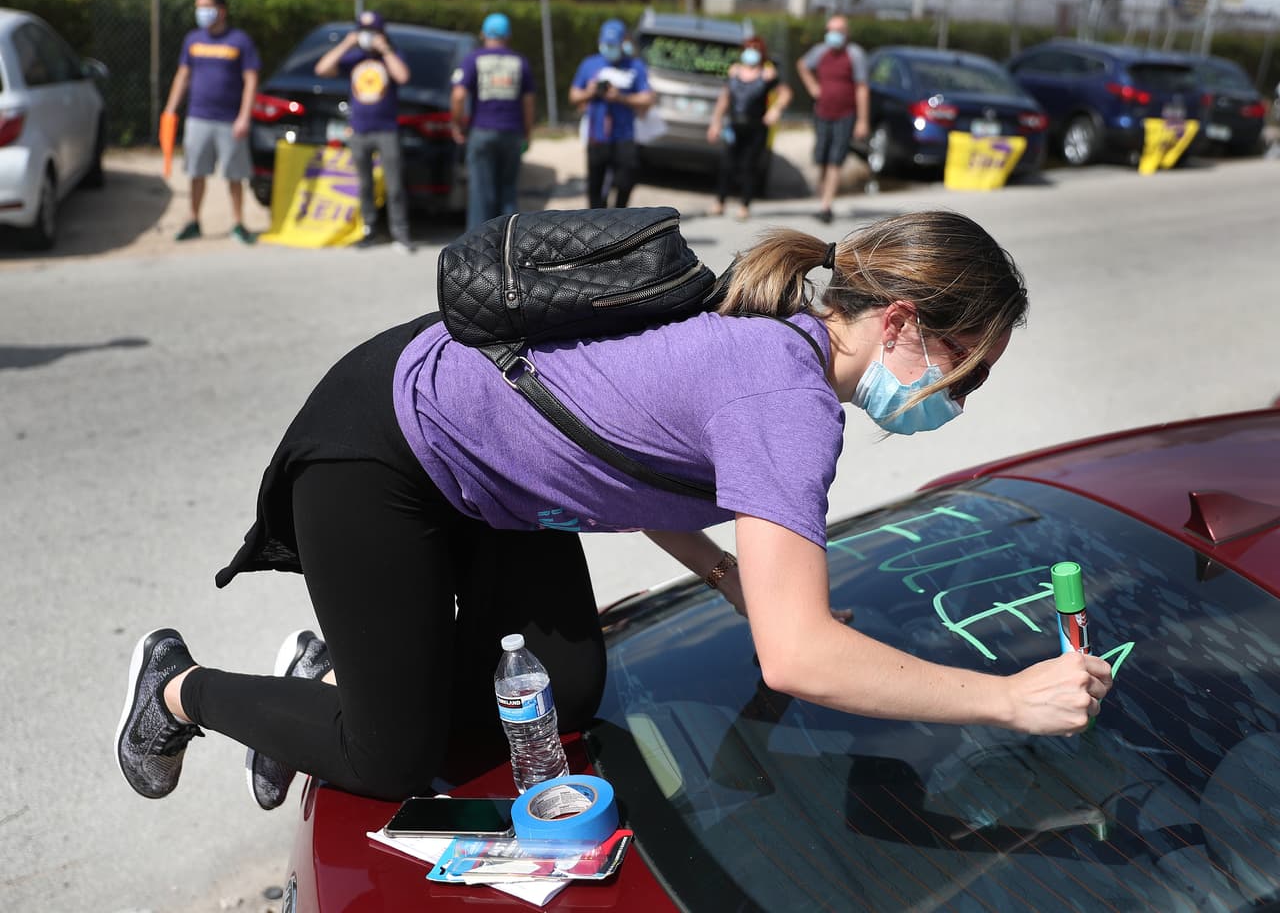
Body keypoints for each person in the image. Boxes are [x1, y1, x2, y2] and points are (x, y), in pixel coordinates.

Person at [115, 209, 1113, 811]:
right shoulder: (787, 398)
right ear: (898, 323)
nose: (954, 403)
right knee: (389, 756)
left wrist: (726, 575)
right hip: (385, 449)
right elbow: (798, 658)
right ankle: (181, 690)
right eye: (960, 374)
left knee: (563, 693)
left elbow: (631, 453)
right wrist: (1004, 699)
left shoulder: (776, 340)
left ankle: (341, 668)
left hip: (496, 479)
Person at [162, 0, 260, 245]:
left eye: (206, 7)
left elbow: (251, 80)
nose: (201, 12)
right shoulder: (193, 40)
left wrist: (244, 116)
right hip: (198, 116)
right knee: (196, 172)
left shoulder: (240, 41)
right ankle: (193, 220)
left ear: (221, 10)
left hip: (230, 119)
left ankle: (238, 224)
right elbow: (183, 75)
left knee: (234, 175)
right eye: (198, 7)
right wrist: (170, 109)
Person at [315, 11, 414, 252]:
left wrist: (385, 50)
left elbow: (403, 76)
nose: (368, 36)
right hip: (359, 131)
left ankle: (400, 232)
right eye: (364, 31)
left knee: (394, 184)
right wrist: (347, 43)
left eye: (373, 31)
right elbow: (322, 69)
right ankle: (368, 229)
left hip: (387, 130)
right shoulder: (355, 58)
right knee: (364, 184)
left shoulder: (391, 55)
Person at [450, 13, 536, 232]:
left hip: (482, 130)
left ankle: (478, 247)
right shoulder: (520, 62)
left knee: (480, 193)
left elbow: (459, 95)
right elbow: (528, 102)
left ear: (483, 34)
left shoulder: (474, 59)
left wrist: (456, 124)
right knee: (508, 191)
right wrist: (527, 132)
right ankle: (509, 243)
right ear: (508, 36)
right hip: (512, 133)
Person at [569, 19, 655, 209]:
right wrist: (590, 92)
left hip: (624, 135)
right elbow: (574, 95)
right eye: (606, 45)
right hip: (597, 136)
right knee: (595, 187)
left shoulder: (635, 66)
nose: (609, 49)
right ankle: (596, 224)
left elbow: (647, 98)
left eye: (613, 45)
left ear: (623, 43)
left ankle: (619, 215)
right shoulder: (589, 64)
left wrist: (621, 97)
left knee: (626, 180)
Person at [707, 36, 793, 222]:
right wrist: (716, 122)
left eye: (755, 49)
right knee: (727, 164)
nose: (751, 52)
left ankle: (744, 205)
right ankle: (720, 201)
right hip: (735, 125)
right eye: (748, 48)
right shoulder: (734, 72)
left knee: (749, 166)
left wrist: (775, 110)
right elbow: (725, 98)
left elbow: (786, 94)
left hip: (756, 127)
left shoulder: (767, 74)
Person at [795, 14, 869, 224]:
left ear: (847, 33)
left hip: (845, 114)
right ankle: (822, 196)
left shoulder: (855, 55)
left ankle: (826, 205)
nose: (833, 34)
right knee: (821, 158)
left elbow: (862, 88)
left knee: (836, 159)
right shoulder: (820, 51)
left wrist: (862, 120)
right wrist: (812, 87)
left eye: (838, 30)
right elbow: (802, 65)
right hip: (822, 112)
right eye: (830, 30)